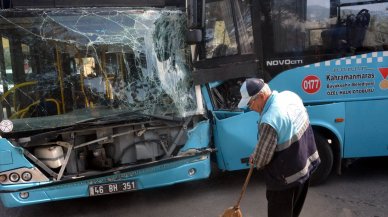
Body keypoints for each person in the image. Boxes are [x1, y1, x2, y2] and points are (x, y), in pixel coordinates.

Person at [237, 78, 321, 217]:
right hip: (304, 171)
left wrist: (255, 158)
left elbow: (261, 160)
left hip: (285, 181)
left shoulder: (270, 120)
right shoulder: (289, 96)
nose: (250, 108)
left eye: (250, 103)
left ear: (262, 96)